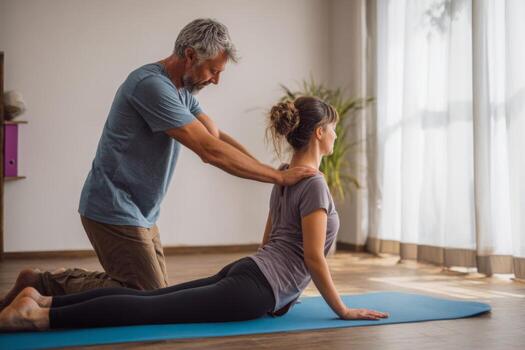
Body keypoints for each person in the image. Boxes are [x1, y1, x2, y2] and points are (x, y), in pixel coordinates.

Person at [0, 18, 318, 309]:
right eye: (213, 70)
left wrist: (271, 168)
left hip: (142, 211)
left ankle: (43, 283)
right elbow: (209, 151)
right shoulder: (150, 86)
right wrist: (279, 179)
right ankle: (41, 283)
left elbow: (215, 135)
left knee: (155, 295)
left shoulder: (182, 92)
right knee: (146, 297)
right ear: (190, 56)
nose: (217, 80)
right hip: (112, 205)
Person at [0, 97, 388, 331]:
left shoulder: (284, 177)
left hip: (248, 271)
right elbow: (312, 257)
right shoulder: (314, 183)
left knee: (155, 301)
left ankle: (43, 299)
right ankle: (35, 317)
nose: (337, 135)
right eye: (334, 128)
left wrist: (285, 294)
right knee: (151, 309)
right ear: (319, 132)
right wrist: (342, 308)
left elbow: (269, 243)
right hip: (253, 289)